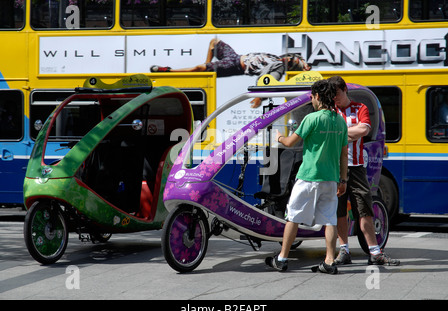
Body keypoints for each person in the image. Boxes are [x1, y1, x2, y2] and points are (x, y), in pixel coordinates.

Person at [265, 79, 348, 274]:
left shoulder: (312, 119)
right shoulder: (340, 121)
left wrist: (278, 137)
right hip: (331, 179)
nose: (311, 100)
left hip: (309, 177)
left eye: (312, 97)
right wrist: (343, 180)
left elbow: (290, 142)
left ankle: (282, 259)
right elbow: (344, 154)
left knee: (292, 217)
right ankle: (329, 260)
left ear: (318, 96)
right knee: (330, 220)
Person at [328, 75, 400, 266]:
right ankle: (344, 250)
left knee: (364, 209)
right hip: (334, 168)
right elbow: (331, 134)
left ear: (345, 90)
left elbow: (364, 130)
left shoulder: (360, 108)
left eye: (337, 94)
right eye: (331, 95)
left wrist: (337, 133)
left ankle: (375, 252)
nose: (334, 98)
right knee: (339, 211)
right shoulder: (329, 110)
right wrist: (348, 133)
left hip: (357, 167)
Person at [150, 38, 311, 108]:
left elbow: (268, 80)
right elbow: (298, 59)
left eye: (291, 62)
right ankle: (207, 68)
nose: (289, 59)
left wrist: (258, 98)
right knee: (214, 42)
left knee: (198, 68)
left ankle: (170, 70)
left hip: (234, 65)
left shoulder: (278, 66)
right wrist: (304, 64)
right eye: (290, 58)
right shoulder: (276, 57)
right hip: (234, 56)